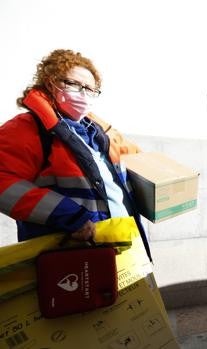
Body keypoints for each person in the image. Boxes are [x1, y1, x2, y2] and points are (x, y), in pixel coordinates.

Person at [0, 49, 150, 258]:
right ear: (51, 82)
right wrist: (69, 215)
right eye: (73, 84)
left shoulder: (96, 132)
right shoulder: (27, 128)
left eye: (90, 88)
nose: (83, 92)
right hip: (71, 256)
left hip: (121, 249)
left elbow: (134, 165)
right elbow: (3, 184)